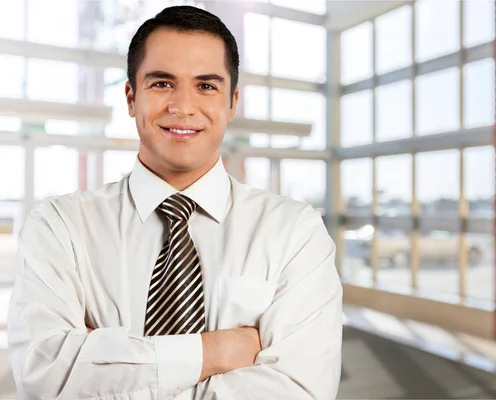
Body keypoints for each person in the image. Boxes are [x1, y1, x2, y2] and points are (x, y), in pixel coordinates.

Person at [7, 5, 342, 400]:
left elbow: (300, 390)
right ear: (131, 97)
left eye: (206, 86)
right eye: (162, 84)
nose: (183, 107)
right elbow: (44, 376)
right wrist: (216, 351)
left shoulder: (294, 232)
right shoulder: (59, 226)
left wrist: (107, 367)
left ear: (232, 102)